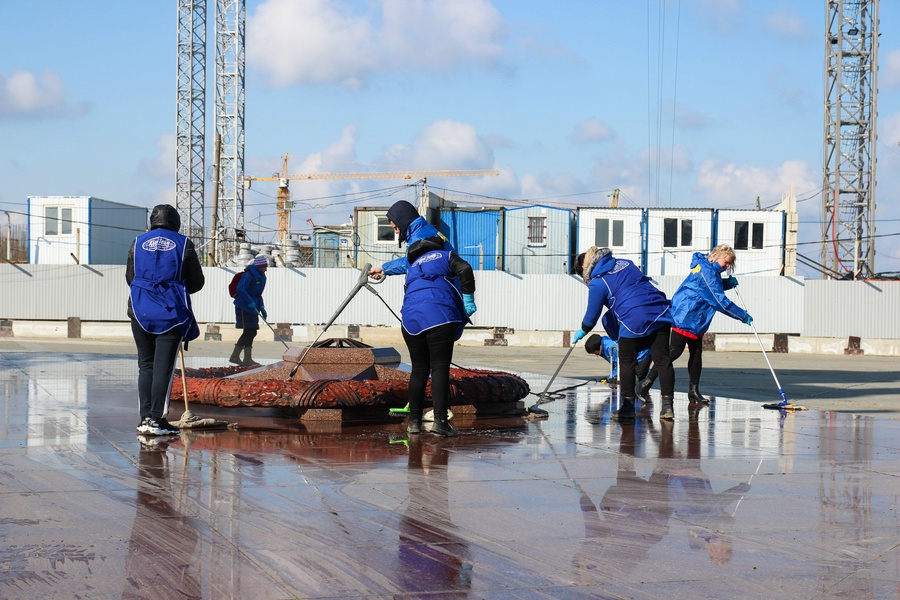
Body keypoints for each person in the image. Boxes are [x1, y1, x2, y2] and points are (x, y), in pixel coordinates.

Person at [371, 229, 476, 437]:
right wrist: (468, 300)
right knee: (439, 368)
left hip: (410, 321)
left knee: (419, 369)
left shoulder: (413, 267)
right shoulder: (445, 255)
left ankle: (414, 423)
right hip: (440, 314)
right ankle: (440, 422)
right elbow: (465, 269)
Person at [127, 204, 204, 436]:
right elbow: (197, 282)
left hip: (139, 311)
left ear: (153, 220)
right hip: (170, 313)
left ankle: (144, 418)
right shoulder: (183, 243)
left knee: (146, 365)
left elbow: (130, 277)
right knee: (163, 368)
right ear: (175, 221)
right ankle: (157, 420)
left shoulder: (137, 242)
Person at [572, 246, 675, 420]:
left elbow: (592, 315)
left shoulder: (598, 282)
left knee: (626, 362)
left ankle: (628, 408)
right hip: (658, 309)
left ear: (584, 270)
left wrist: (583, 330)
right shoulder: (625, 263)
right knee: (663, 360)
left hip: (632, 317)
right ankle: (667, 407)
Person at [639, 244, 751, 403]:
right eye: (725, 262)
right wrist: (741, 315)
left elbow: (708, 289)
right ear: (716, 256)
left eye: (729, 264)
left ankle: (693, 391)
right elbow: (718, 300)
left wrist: (727, 284)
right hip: (686, 316)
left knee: (696, 354)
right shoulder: (707, 272)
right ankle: (645, 383)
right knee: (673, 352)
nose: (727, 266)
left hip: (696, 318)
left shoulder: (711, 270)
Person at [230, 254, 269, 367]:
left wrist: (262, 307)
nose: (266, 269)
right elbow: (240, 289)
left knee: (252, 331)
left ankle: (246, 358)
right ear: (259, 266)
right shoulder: (249, 275)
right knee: (249, 331)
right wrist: (249, 301)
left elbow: (258, 294)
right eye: (264, 267)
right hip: (243, 305)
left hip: (253, 306)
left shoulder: (262, 277)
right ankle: (236, 356)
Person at [584, 332, 651, 384]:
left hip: (642, 355)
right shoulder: (603, 344)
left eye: (594, 352)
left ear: (598, 348)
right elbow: (615, 363)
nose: (596, 354)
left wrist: (609, 378)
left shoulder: (610, 347)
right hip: (632, 357)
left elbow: (620, 364)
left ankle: (644, 398)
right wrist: (611, 376)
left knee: (640, 377)